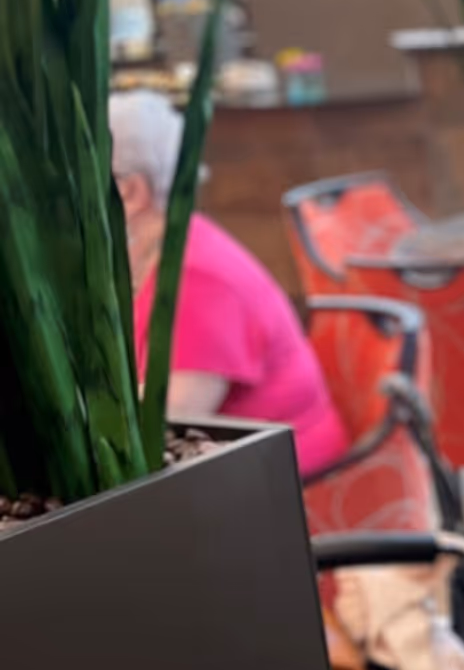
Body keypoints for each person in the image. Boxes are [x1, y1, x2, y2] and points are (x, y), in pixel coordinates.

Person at [109, 89, 349, 476]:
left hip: (291, 483)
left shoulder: (195, 280)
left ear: (130, 191)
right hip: (243, 470)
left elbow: (160, 425)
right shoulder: (166, 250)